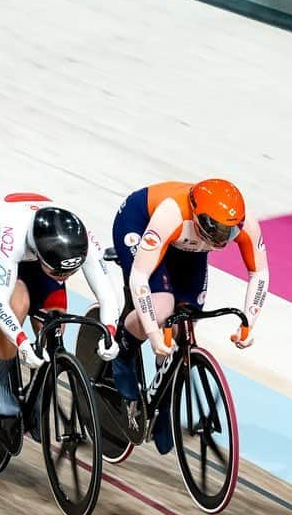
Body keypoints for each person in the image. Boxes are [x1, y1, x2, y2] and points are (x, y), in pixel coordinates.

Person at [111, 179, 268, 454]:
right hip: (141, 223)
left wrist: (249, 323)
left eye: (229, 232)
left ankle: (163, 400)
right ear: (198, 216)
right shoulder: (171, 212)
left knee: (187, 318)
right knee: (161, 309)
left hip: (189, 243)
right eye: (217, 230)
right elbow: (139, 277)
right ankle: (123, 351)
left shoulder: (243, 225)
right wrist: (152, 332)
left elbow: (260, 273)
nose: (223, 240)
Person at [0, 193, 120, 433]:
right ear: (40, 256)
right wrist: (23, 343)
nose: (64, 279)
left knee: (54, 322)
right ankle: (0, 383)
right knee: (19, 304)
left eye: (69, 273)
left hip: (39, 249)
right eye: (58, 273)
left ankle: (37, 394)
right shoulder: (12, 236)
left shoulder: (82, 239)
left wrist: (110, 331)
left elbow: (108, 296)